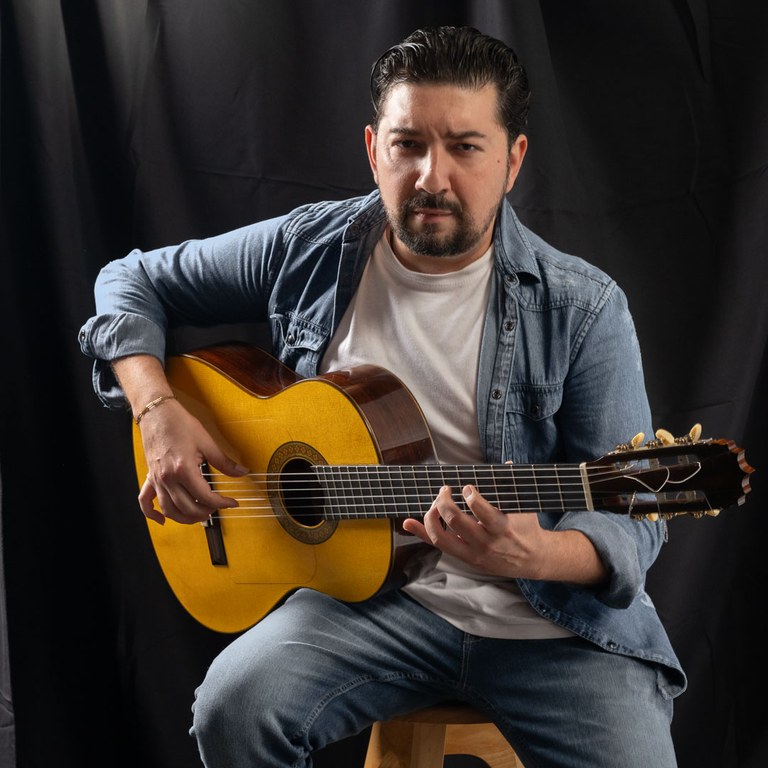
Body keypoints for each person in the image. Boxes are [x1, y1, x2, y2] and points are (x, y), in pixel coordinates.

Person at [79, 25, 685, 768]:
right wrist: (156, 409)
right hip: (373, 607)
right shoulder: (311, 249)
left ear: (513, 160)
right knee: (234, 710)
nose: (432, 177)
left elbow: (635, 515)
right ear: (374, 150)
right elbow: (128, 279)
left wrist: (539, 552)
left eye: (465, 147)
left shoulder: (583, 308)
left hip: (555, 627)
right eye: (408, 145)